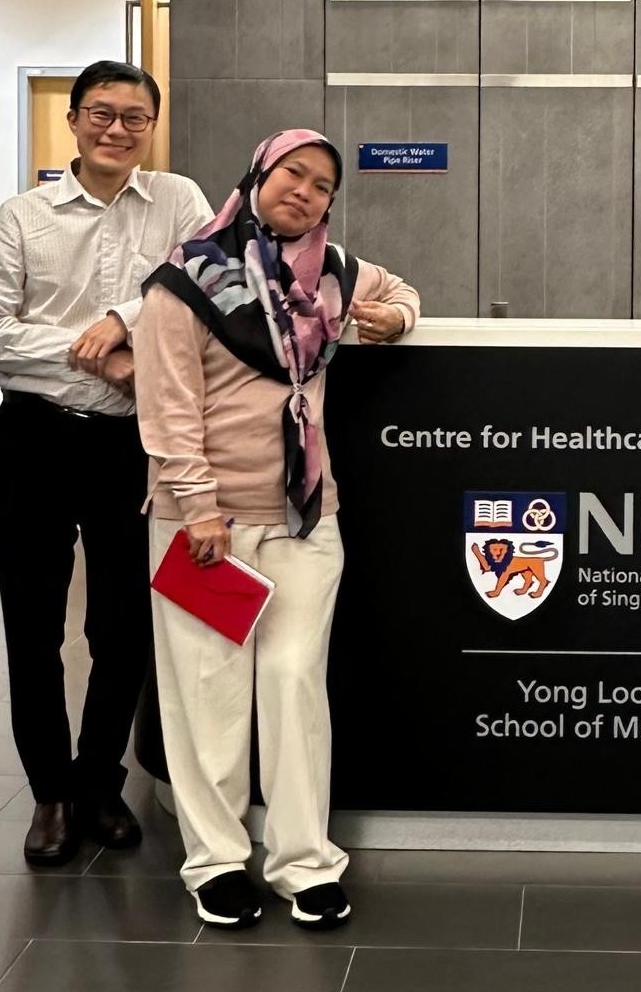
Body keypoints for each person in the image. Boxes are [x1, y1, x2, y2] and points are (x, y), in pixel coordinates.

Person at [135, 128, 419, 931]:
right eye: (294, 172)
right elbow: (168, 407)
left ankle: (304, 863)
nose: (306, 191)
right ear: (258, 173)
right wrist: (198, 507)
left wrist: (395, 318)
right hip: (207, 525)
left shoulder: (334, 274)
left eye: (323, 185)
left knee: (294, 683)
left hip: (304, 517)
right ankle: (217, 863)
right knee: (209, 692)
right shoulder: (185, 280)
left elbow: (400, 290)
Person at [0, 58, 213, 868]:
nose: (117, 129)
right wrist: (97, 355)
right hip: (34, 437)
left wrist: (122, 319)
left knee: (124, 624)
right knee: (32, 623)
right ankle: (49, 792)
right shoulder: (23, 215)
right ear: (72, 120)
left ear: (153, 126)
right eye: (101, 114)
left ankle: (100, 783)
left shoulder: (178, 200)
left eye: (134, 117)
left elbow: (206, 283)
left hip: (130, 444)